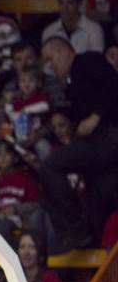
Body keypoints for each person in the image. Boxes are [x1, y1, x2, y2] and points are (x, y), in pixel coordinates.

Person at [39, 37, 118, 249]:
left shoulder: (86, 62)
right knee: (99, 192)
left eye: (50, 58)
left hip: (108, 135)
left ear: (64, 52)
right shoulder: (71, 84)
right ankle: (91, 240)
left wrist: (96, 116)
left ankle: (72, 228)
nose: (49, 66)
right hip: (101, 145)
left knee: (50, 165)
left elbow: (113, 84)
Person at [41, 0, 105, 55]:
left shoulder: (94, 30)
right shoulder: (49, 31)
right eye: (61, 3)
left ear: (79, 4)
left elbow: (98, 63)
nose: (65, 8)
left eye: (70, 3)